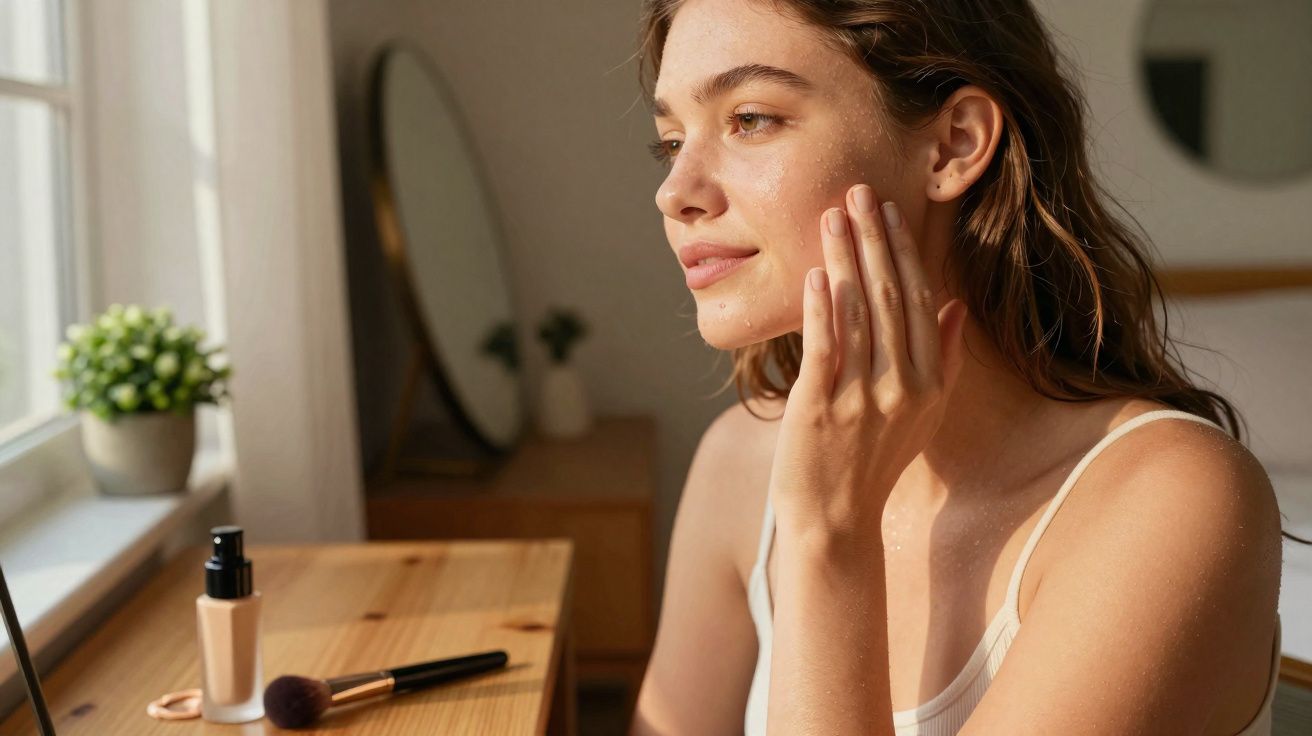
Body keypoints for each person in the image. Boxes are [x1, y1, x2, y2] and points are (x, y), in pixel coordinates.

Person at [630, 0, 1301, 733]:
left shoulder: (1171, 502)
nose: (675, 192)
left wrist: (830, 533)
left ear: (954, 144)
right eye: (670, 140)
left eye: (750, 119)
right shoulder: (742, 461)